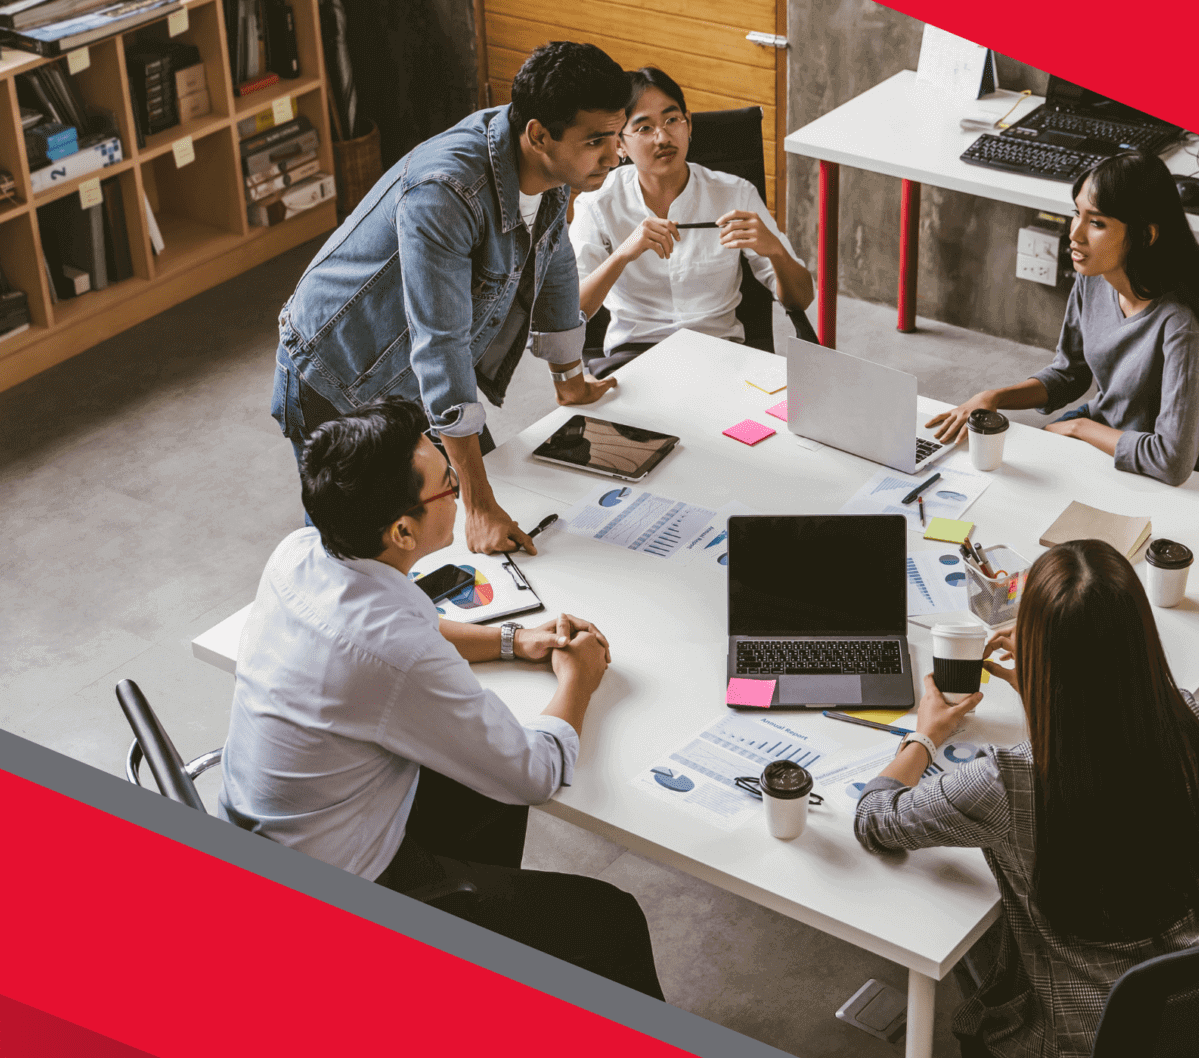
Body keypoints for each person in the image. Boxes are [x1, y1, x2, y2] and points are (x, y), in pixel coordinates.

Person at [218, 397, 665, 1000]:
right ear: (402, 530)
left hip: (271, 842)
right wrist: (577, 679)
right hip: (342, 894)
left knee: (486, 780)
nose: (458, 488)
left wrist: (513, 640)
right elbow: (535, 773)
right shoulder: (392, 653)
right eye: (449, 483)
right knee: (608, 919)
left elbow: (409, 634)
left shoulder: (299, 555)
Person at [855, 540, 1199, 1058]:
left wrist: (925, 737)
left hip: (1085, 1034)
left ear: (1037, 649)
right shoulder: (1188, 720)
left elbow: (876, 818)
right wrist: (1053, 687)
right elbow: (1110, 770)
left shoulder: (1006, 782)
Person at [271, 42, 629, 557]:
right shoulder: (446, 191)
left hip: (412, 374)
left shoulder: (547, 164)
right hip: (338, 374)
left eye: (616, 136)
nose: (615, 156)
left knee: (459, 513)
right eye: (598, 140)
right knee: (356, 555)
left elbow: (553, 254)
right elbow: (440, 345)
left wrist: (569, 379)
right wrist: (479, 505)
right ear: (538, 135)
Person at [928, 152, 1199, 486]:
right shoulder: (1096, 275)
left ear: (1145, 235)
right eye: (1076, 214)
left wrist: (1079, 428)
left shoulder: (1181, 324)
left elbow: (1172, 461)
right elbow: (1069, 374)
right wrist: (993, 397)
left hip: (1179, 482)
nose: (1075, 235)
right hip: (1111, 437)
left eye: (1096, 223)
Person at [569, 66, 813, 378]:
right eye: (644, 128)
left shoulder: (735, 193)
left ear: (689, 124)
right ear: (619, 144)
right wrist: (622, 255)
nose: (663, 137)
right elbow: (572, 312)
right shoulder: (597, 203)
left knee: (769, 426)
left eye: (672, 120)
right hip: (634, 362)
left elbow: (802, 299)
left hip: (724, 358)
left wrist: (776, 251)